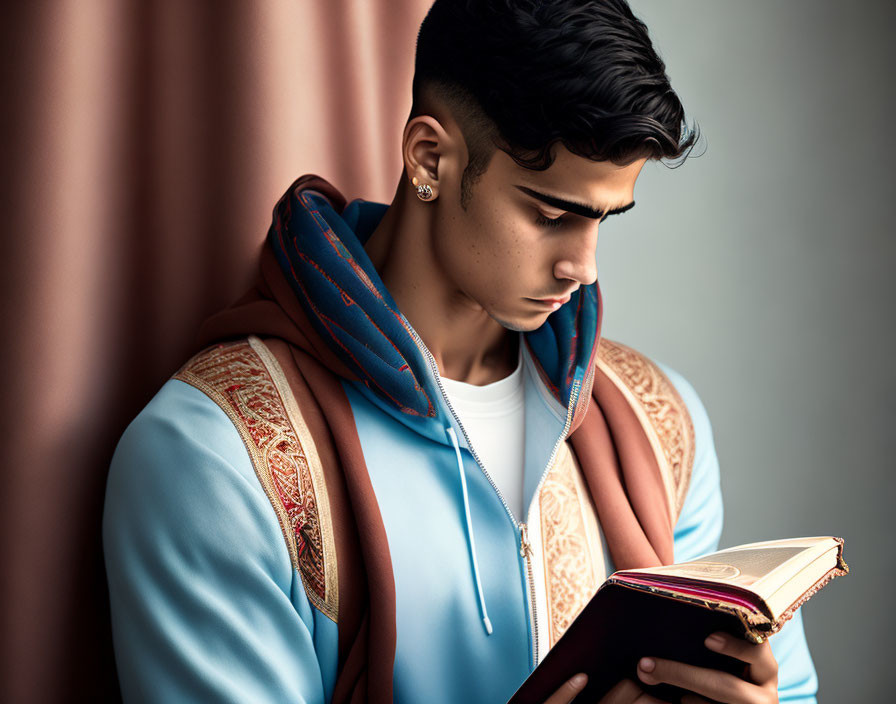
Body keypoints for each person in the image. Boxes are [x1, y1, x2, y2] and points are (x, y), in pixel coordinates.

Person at [102, 1, 819, 702]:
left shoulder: (659, 427)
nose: (585, 266)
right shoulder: (218, 455)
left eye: (605, 218)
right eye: (550, 213)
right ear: (430, 158)